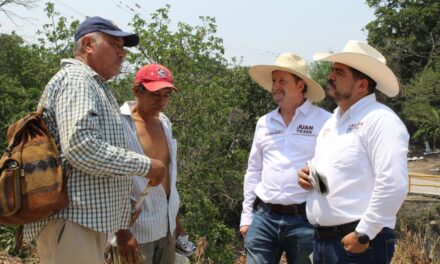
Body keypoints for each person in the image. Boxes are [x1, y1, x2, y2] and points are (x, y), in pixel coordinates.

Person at [22, 16, 166, 264]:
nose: (123, 55)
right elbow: (82, 147)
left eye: (124, 48)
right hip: (72, 221)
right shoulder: (78, 80)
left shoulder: (92, 84)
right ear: (88, 44)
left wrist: (120, 207)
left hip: (81, 223)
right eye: (115, 46)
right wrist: (147, 165)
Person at [298, 40, 409, 264]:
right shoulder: (332, 122)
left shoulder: (381, 120)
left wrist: (363, 233)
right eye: (332, 70)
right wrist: (307, 175)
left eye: (339, 72)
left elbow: (393, 184)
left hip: (358, 244)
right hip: (325, 242)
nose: (330, 76)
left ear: (362, 85)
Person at [240, 53, 331, 263]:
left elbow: (334, 170)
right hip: (264, 217)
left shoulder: (325, 121)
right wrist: (246, 217)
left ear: (300, 85)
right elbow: (253, 170)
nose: (275, 87)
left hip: (305, 220)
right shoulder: (264, 122)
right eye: (274, 81)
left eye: (282, 81)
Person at [110, 64, 184, 264]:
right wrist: (122, 232)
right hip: (136, 232)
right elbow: (109, 180)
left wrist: (176, 221)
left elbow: (169, 177)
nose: (161, 102)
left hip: (165, 227)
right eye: (155, 94)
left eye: (166, 95)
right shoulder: (118, 124)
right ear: (137, 90)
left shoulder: (164, 122)